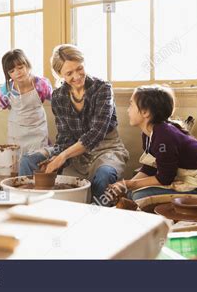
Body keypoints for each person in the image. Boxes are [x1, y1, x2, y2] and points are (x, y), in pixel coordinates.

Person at [19, 44, 129, 204]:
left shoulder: (102, 89)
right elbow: (65, 137)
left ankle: (96, 220)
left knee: (103, 176)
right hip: (74, 153)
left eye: (79, 68)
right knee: (28, 160)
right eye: (69, 73)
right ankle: (33, 208)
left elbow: (96, 134)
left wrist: (62, 157)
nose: (77, 76)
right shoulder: (59, 96)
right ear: (59, 74)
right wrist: (56, 157)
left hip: (106, 149)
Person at [109, 85, 197, 201]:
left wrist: (129, 184)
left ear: (145, 112)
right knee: (131, 194)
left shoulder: (164, 136)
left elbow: (165, 178)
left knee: (138, 196)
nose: (128, 109)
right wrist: (126, 187)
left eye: (131, 104)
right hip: (187, 179)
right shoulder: (148, 133)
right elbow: (150, 168)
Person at [0, 49, 52, 156]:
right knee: (18, 161)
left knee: (39, 160)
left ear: (27, 65)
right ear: (8, 74)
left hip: (38, 129)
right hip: (17, 131)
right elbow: (4, 106)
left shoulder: (41, 84)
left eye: (20, 67)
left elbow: (55, 99)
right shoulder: (5, 90)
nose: (17, 73)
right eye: (12, 71)